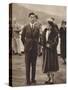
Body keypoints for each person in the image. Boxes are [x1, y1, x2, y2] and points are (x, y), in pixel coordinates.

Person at [21, 12, 40, 85]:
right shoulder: (26, 27)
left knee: (34, 65)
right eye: (31, 17)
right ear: (29, 18)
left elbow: (38, 37)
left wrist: (37, 46)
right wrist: (26, 44)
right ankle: (27, 80)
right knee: (27, 65)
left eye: (34, 17)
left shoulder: (37, 27)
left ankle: (33, 79)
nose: (32, 18)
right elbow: (22, 37)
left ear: (35, 18)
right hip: (27, 50)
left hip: (34, 49)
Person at [42, 18, 59, 84]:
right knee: (46, 65)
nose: (47, 26)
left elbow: (56, 42)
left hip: (51, 51)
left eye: (49, 25)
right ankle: (49, 78)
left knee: (51, 65)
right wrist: (43, 45)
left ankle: (52, 79)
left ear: (51, 26)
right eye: (47, 25)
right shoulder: (45, 31)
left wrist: (50, 45)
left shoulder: (55, 33)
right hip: (45, 50)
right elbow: (42, 39)